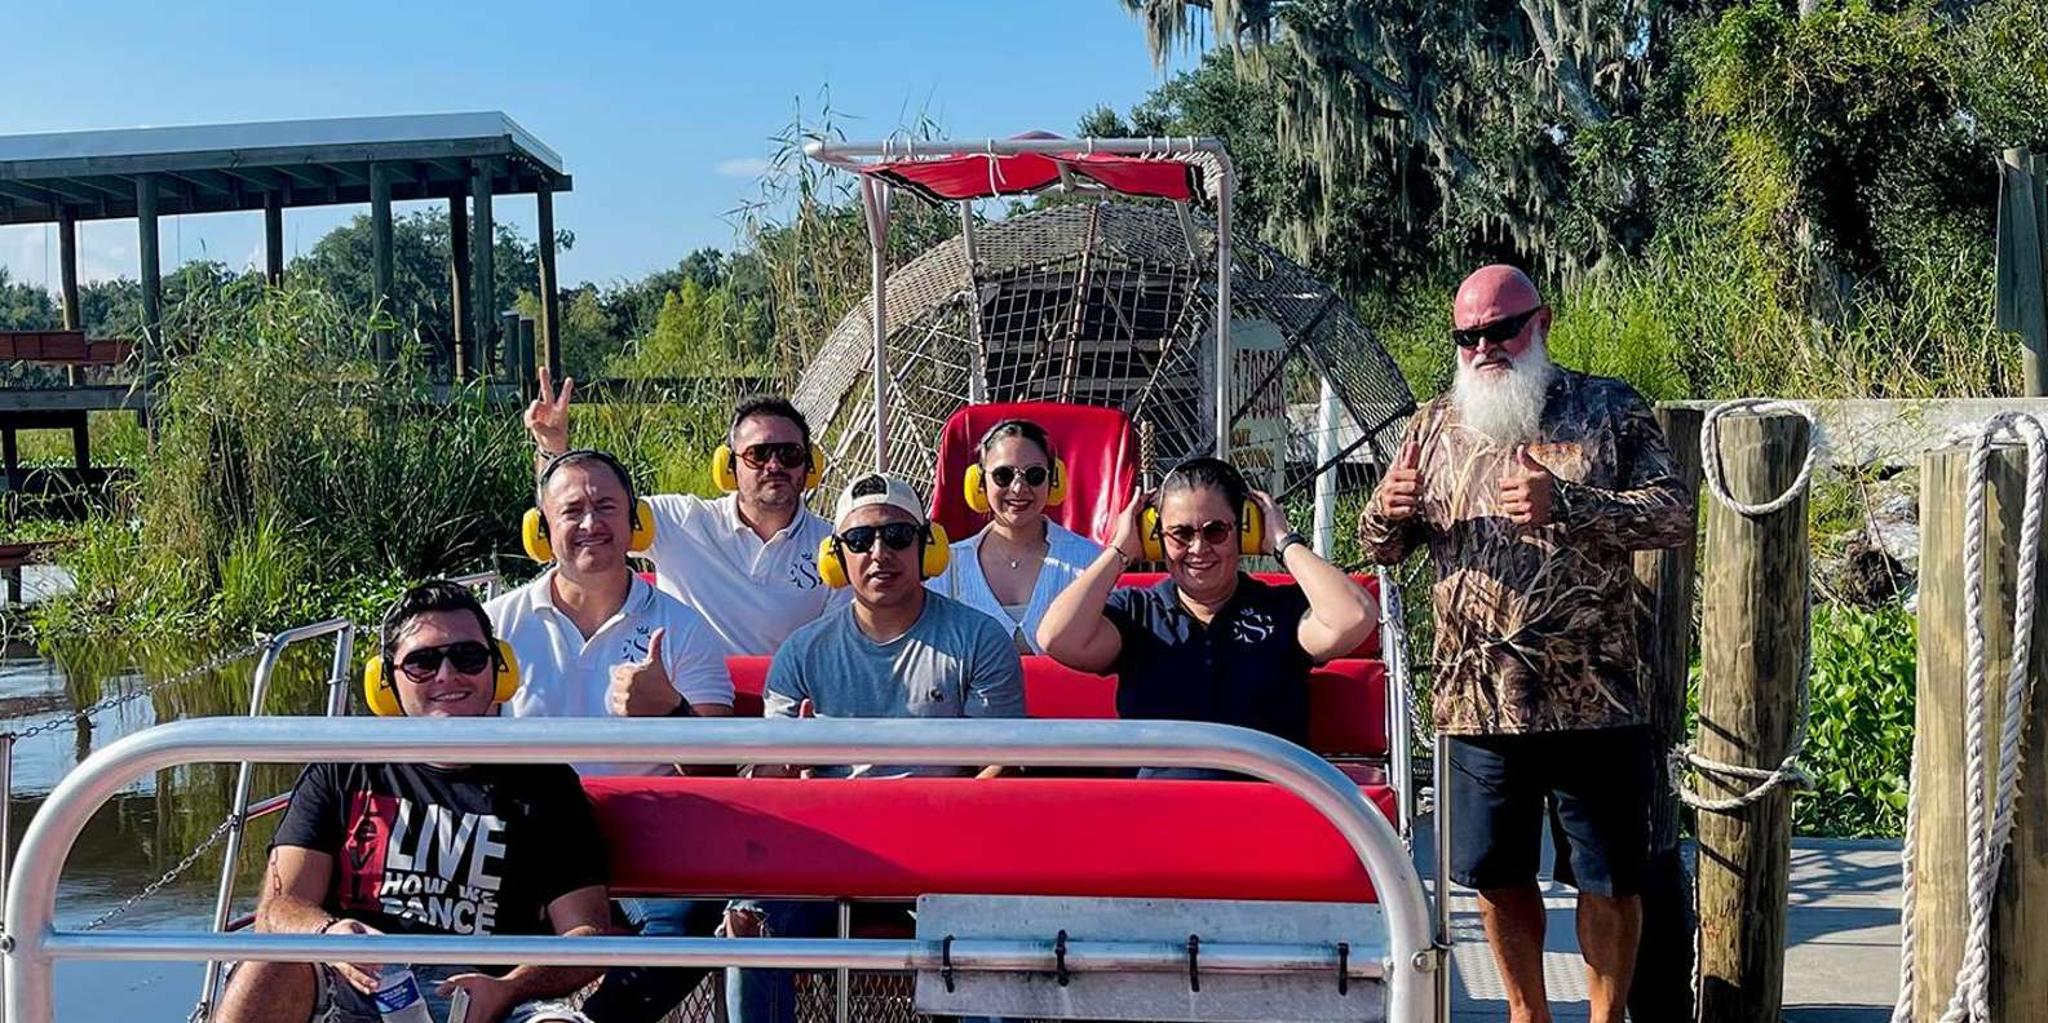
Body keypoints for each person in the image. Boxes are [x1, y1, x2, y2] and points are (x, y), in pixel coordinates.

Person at [1356, 264, 1693, 1023]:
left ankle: (1606, 1018)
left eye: (1500, 329)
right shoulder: (1432, 423)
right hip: (1477, 702)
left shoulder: (1606, 406)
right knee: (1495, 875)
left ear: (1541, 322)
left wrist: (1567, 503)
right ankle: (1527, 1014)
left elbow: (1673, 517)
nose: (1484, 347)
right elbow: (1378, 545)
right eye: (1467, 334)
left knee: (1611, 877)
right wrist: (1386, 509)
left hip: (1595, 696)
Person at [214, 581, 609, 1023]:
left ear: (499, 668)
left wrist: (510, 986)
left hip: (490, 999)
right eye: (422, 662)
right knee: (272, 962)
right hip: (351, 986)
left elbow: (587, 933)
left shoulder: (547, 784)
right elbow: (278, 909)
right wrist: (328, 935)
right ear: (387, 681)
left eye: (468, 656)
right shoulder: (342, 765)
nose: (447, 675)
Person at [727, 472, 1025, 1023]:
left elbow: (999, 767)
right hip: (832, 847)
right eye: (860, 541)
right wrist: (789, 762)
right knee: (753, 919)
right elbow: (766, 780)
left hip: (951, 849)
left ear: (925, 547)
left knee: (992, 938)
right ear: (837, 556)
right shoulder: (803, 651)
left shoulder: (979, 638)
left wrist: (946, 830)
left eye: (897, 536)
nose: (879, 553)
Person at [484, 448, 734, 1023]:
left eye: (606, 507)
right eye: (572, 511)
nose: (591, 524)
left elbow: (721, 774)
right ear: (542, 528)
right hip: (527, 839)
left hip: (642, 840)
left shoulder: (683, 627)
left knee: (692, 918)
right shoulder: (495, 626)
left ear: (634, 522)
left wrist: (668, 712)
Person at [1035, 458, 1378, 774]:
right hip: (1159, 816)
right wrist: (1120, 550)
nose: (1198, 549)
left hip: (1269, 815)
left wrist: (1283, 541)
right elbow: (1055, 636)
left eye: (1215, 531)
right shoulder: (1137, 614)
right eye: (1180, 533)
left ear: (1244, 531)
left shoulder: (1282, 611)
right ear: (1156, 538)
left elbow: (1355, 616)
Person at [524, 372, 842, 655]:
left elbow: (838, 648)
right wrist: (553, 449)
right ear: (728, 466)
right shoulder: (679, 520)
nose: (774, 466)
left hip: (784, 709)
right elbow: (576, 512)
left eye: (789, 453)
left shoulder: (838, 547)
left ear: (810, 465)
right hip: (684, 708)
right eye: (758, 454)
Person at [928, 418, 1103, 653]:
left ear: (1054, 480)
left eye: (1034, 475)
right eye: (1003, 475)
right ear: (979, 482)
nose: (1019, 488)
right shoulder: (947, 568)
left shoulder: (1091, 561)